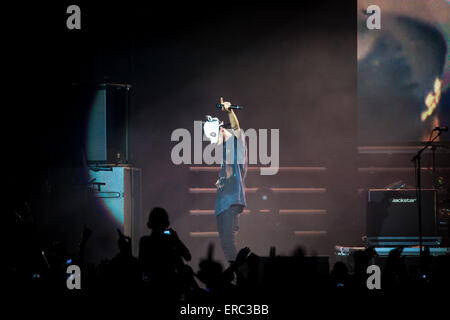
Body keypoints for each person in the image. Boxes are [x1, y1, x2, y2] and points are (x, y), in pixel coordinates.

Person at [204, 98, 247, 262]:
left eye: (216, 139)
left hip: (230, 201)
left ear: (221, 130)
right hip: (223, 202)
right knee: (225, 244)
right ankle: (241, 273)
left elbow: (236, 128)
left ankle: (243, 274)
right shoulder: (226, 150)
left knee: (228, 243)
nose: (215, 144)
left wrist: (229, 111)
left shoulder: (235, 143)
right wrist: (221, 180)